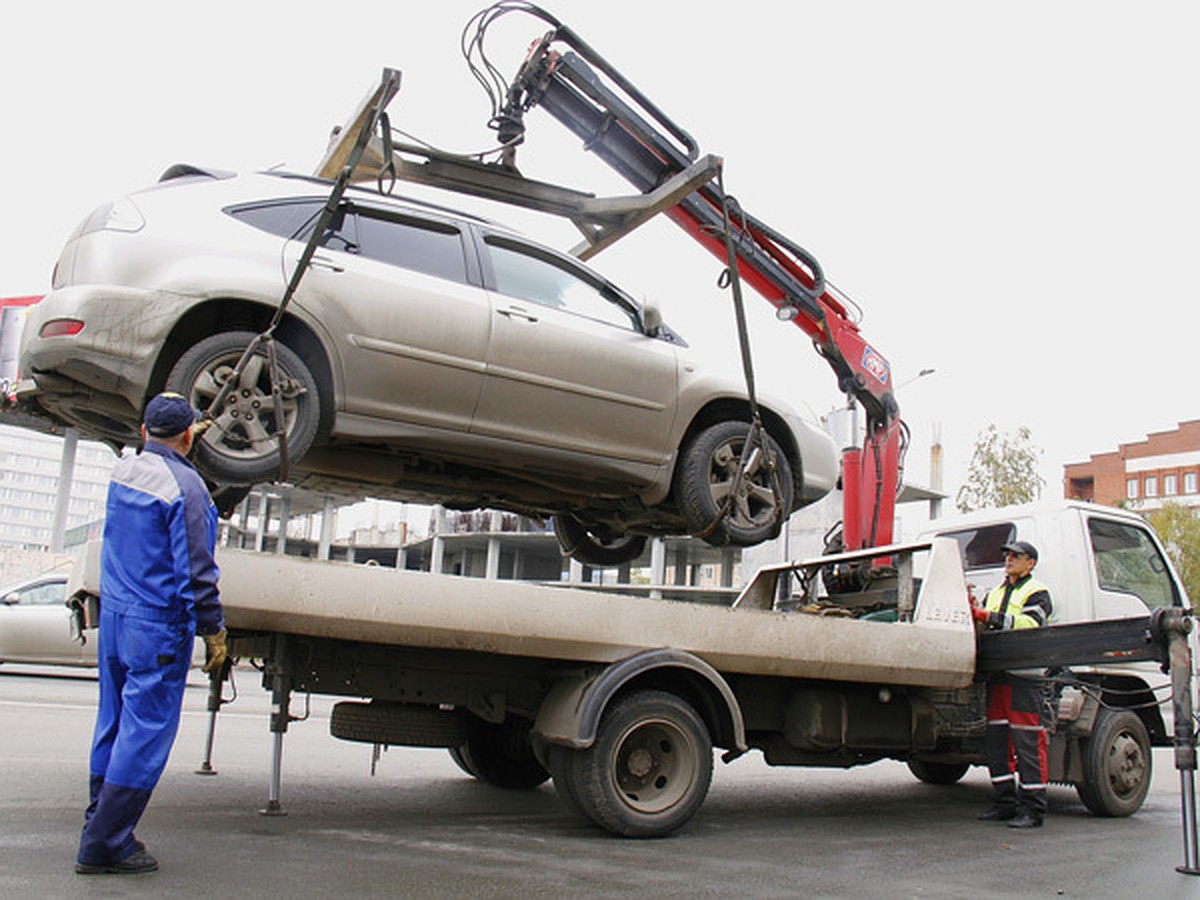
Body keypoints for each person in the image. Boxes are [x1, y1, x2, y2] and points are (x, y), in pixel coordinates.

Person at [75, 393, 227, 875]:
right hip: (156, 626)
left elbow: (154, 454)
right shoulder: (189, 490)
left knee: (114, 723)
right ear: (188, 435)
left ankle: (99, 819)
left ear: (143, 432)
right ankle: (105, 843)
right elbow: (197, 571)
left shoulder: (125, 472)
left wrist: (175, 441)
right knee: (144, 735)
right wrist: (214, 630)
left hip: (117, 618)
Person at [972, 539, 1053, 829]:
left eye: (1016, 556)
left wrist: (988, 616)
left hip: (1024, 679)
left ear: (1031, 562)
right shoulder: (995, 593)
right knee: (997, 743)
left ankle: (1033, 809)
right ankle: (1004, 803)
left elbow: (1031, 623)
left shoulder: (1038, 592)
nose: (1009, 559)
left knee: (1028, 744)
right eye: (1007, 554)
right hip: (999, 677)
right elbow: (982, 623)